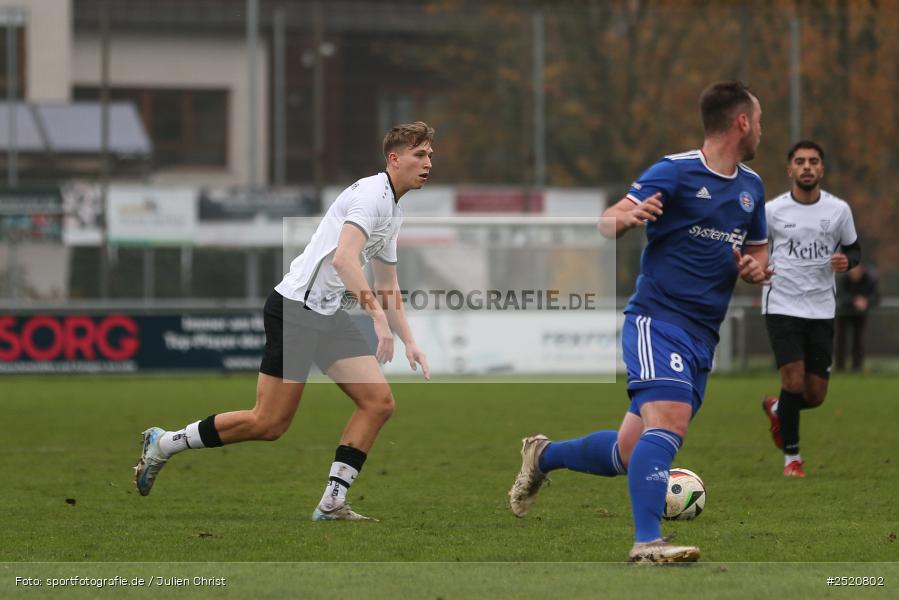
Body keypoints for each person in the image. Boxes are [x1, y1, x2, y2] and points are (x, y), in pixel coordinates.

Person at [508, 81, 770, 563]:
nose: (761, 130)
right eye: (758, 120)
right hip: (658, 319)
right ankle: (647, 543)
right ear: (741, 122)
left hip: (701, 336)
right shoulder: (674, 172)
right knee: (669, 423)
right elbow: (609, 219)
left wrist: (755, 269)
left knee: (630, 452)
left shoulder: (752, 188)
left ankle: (542, 455)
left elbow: (756, 252)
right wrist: (627, 220)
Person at [134, 122, 434, 521]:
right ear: (394, 159)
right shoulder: (370, 196)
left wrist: (409, 339)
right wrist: (378, 320)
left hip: (327, 314)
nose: (429, 162)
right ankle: (165, 442)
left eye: (430, 154)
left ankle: (332, 503)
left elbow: (387, 282)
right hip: (295, 310)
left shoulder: (393, 209)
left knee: (378, 403)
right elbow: (345, 259)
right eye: (420, 155)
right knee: (269, 423)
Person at [760, 140, 860, 478]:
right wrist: (758, 267)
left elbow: (854, 249)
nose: (807, 167)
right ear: (789, 169)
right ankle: (793, 460)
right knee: (793, 380)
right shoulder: (772, 211)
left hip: (821, 307)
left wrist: (847, 261)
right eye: (800, 161)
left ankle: (777, 409)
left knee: (814, 395)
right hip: (782, 304)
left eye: (813, 161)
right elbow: (755, 246)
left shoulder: (838, 210)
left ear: (821, 169)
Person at [835, 263, 879, 372]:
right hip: (843, 314)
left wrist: (866, 301)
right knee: (841, 340)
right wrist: (855, 301)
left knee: (858, 340)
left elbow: (875, 297)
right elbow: (839, 296)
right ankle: (840, 367)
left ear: (862, 270)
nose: (854, 273)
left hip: (860, 315)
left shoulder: (869, 279)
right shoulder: (842, 279)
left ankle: (857, 367)